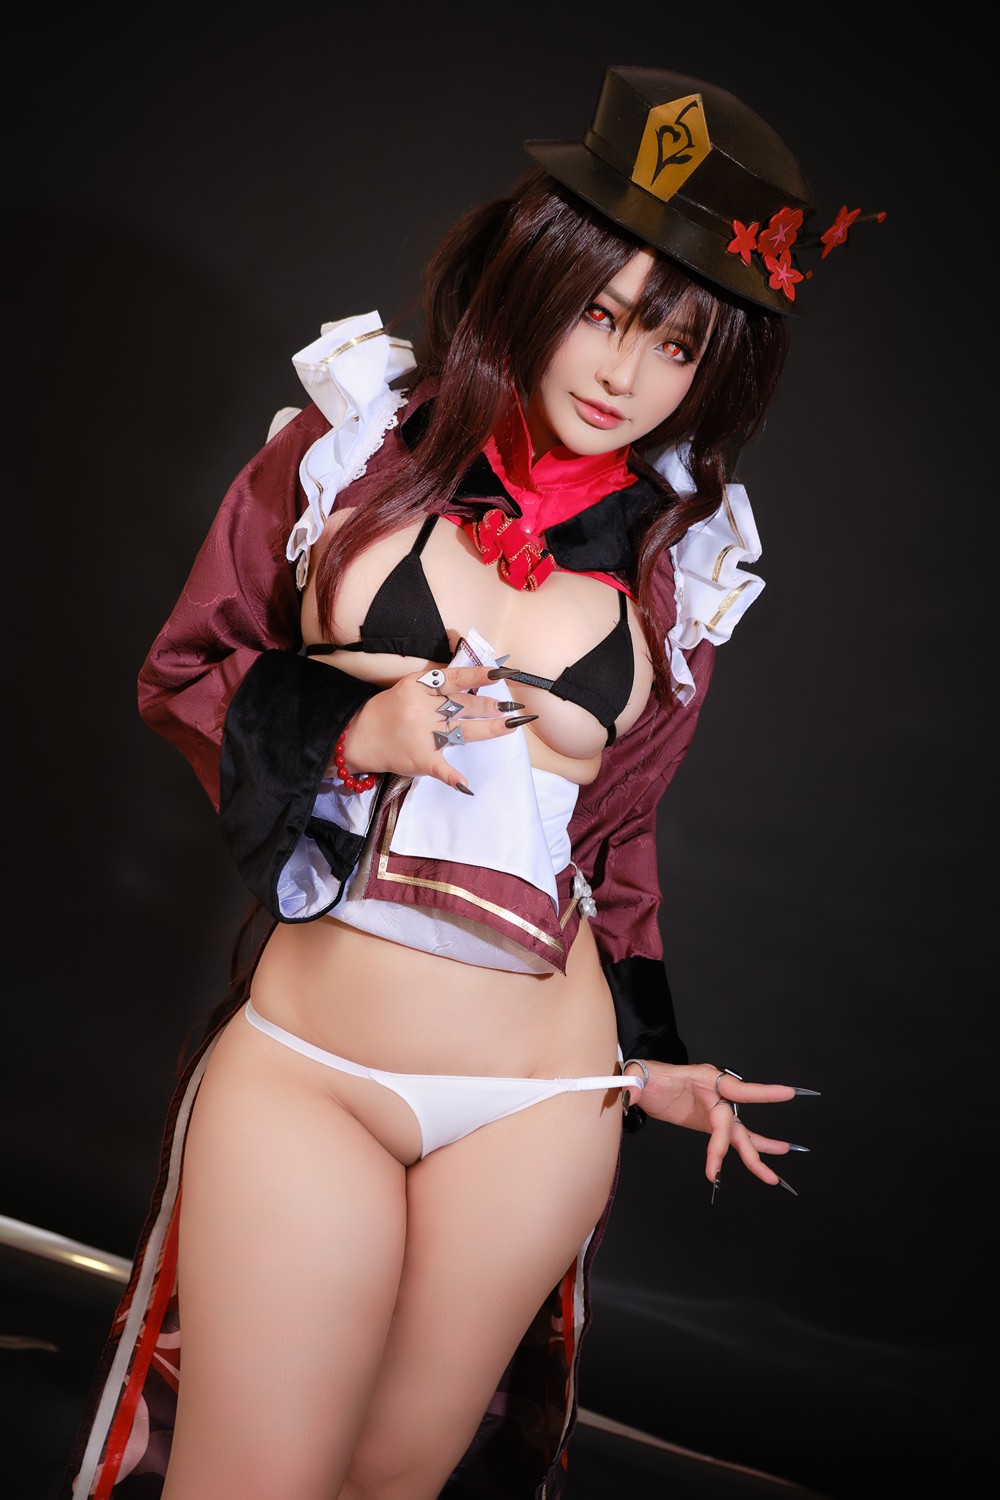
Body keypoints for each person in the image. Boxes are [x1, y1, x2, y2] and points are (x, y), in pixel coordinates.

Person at [65, 64, 881, 1500]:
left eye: (676, 347)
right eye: (602, 314)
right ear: (536, 274)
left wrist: (654, 1053)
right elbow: (186, 672)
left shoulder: (676, 566)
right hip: (316, 1067)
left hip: (541, 1101)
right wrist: (347, 726)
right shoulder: (347, 451)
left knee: (396, 1482)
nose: (624, 375)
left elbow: (615, 847)